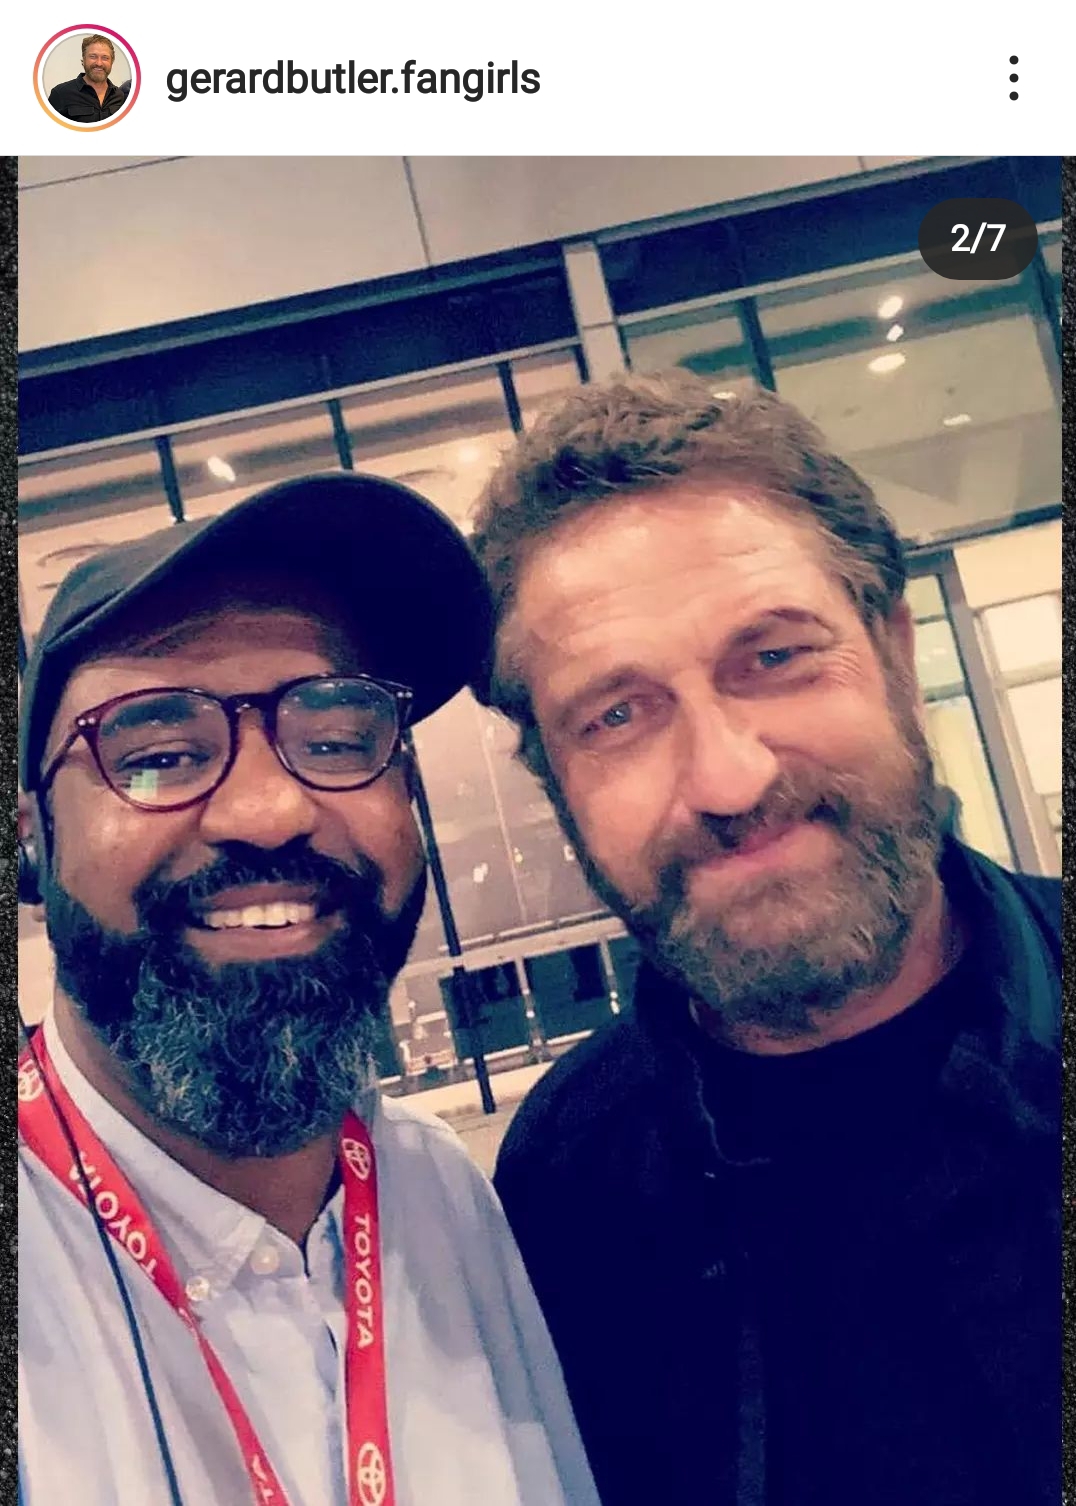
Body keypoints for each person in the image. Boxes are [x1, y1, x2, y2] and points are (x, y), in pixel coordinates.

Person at [470, 373, 1061, 1506]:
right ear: (555, 785)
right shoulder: (565, 1187)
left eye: (775, 657)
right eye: (615, 715)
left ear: (895, 657)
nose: (729, 779)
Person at [17, 473, 599, 1506]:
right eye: (158, 754)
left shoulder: (444, 1195)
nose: (269, 810)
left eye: (335, 741)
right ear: (32, 840)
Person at [47, 34, 127, 122]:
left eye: (105, 58)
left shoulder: (120, 96)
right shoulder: (60, 94)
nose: (99, 63)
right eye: (93, 56)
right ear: (84, 59)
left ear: (112, 62)